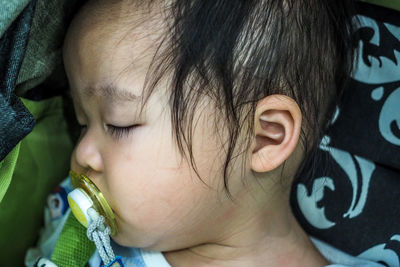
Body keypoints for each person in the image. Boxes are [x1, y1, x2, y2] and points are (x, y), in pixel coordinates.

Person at [25, 0, 384, 266]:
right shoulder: (79, 234)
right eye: (82, 123)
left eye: (119, 124)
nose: (83, 153)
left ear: (264, 137)